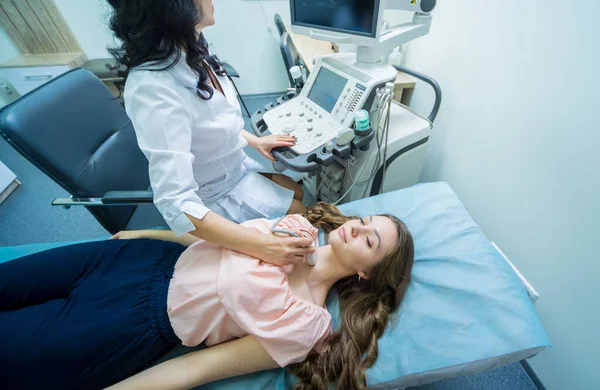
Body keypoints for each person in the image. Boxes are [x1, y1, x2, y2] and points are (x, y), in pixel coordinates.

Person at [0, 203, 414, 390]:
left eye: (370, 241)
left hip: (130, 322)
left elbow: (193, 370)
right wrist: (145, 234)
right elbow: (215, 238)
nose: (355, 229)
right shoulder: (297, 227)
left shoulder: (305, 322)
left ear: (366, 272)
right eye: (362, 220)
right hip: (134, 259)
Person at [105, 0, 310, 265]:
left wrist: (254, 140)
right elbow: (176, 202)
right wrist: (261, 246)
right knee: (302, 215)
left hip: (234, 168)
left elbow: (212, 120)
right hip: (213, 197)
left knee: (298, 193)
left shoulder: (189, 50)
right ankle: (164, 238)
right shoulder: (154, 88)